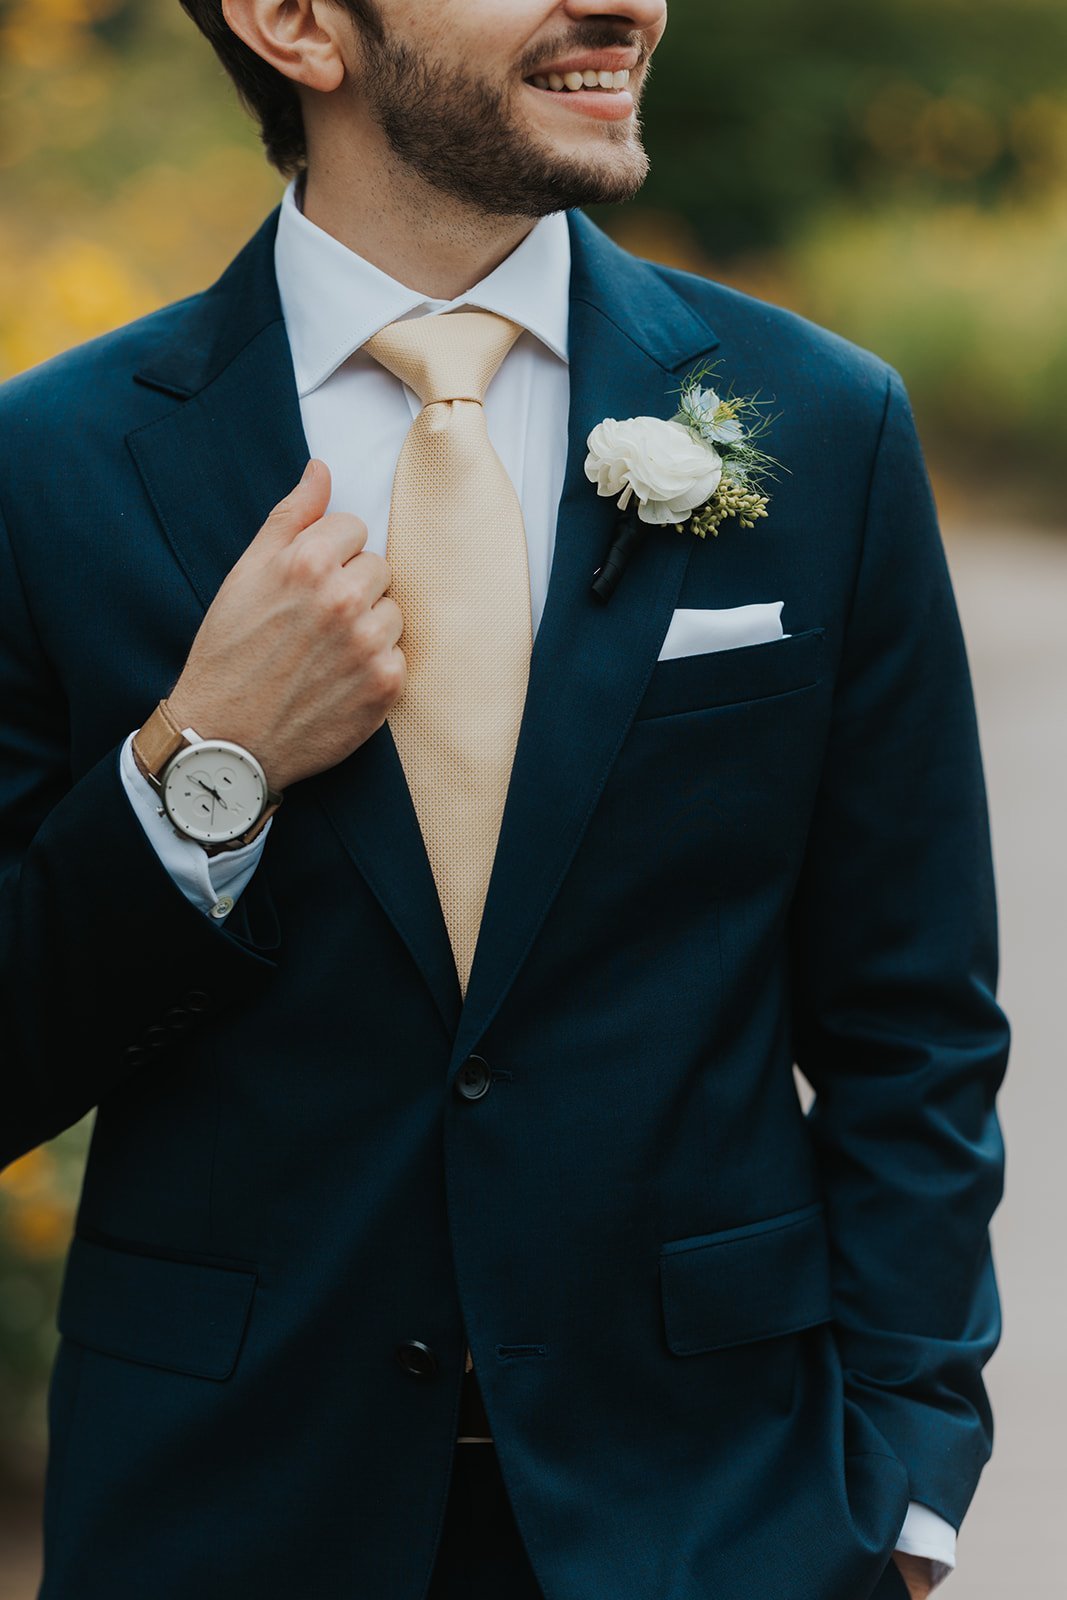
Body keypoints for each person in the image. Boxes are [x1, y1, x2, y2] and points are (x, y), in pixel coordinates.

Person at [0, 3, 1009, 1597]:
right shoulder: (49, 464)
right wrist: (210, 765)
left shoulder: (828, 427)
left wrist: (901, 1496)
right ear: (296, 23)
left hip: (714, 1519)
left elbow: (914, 1025)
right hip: (225, 1519)